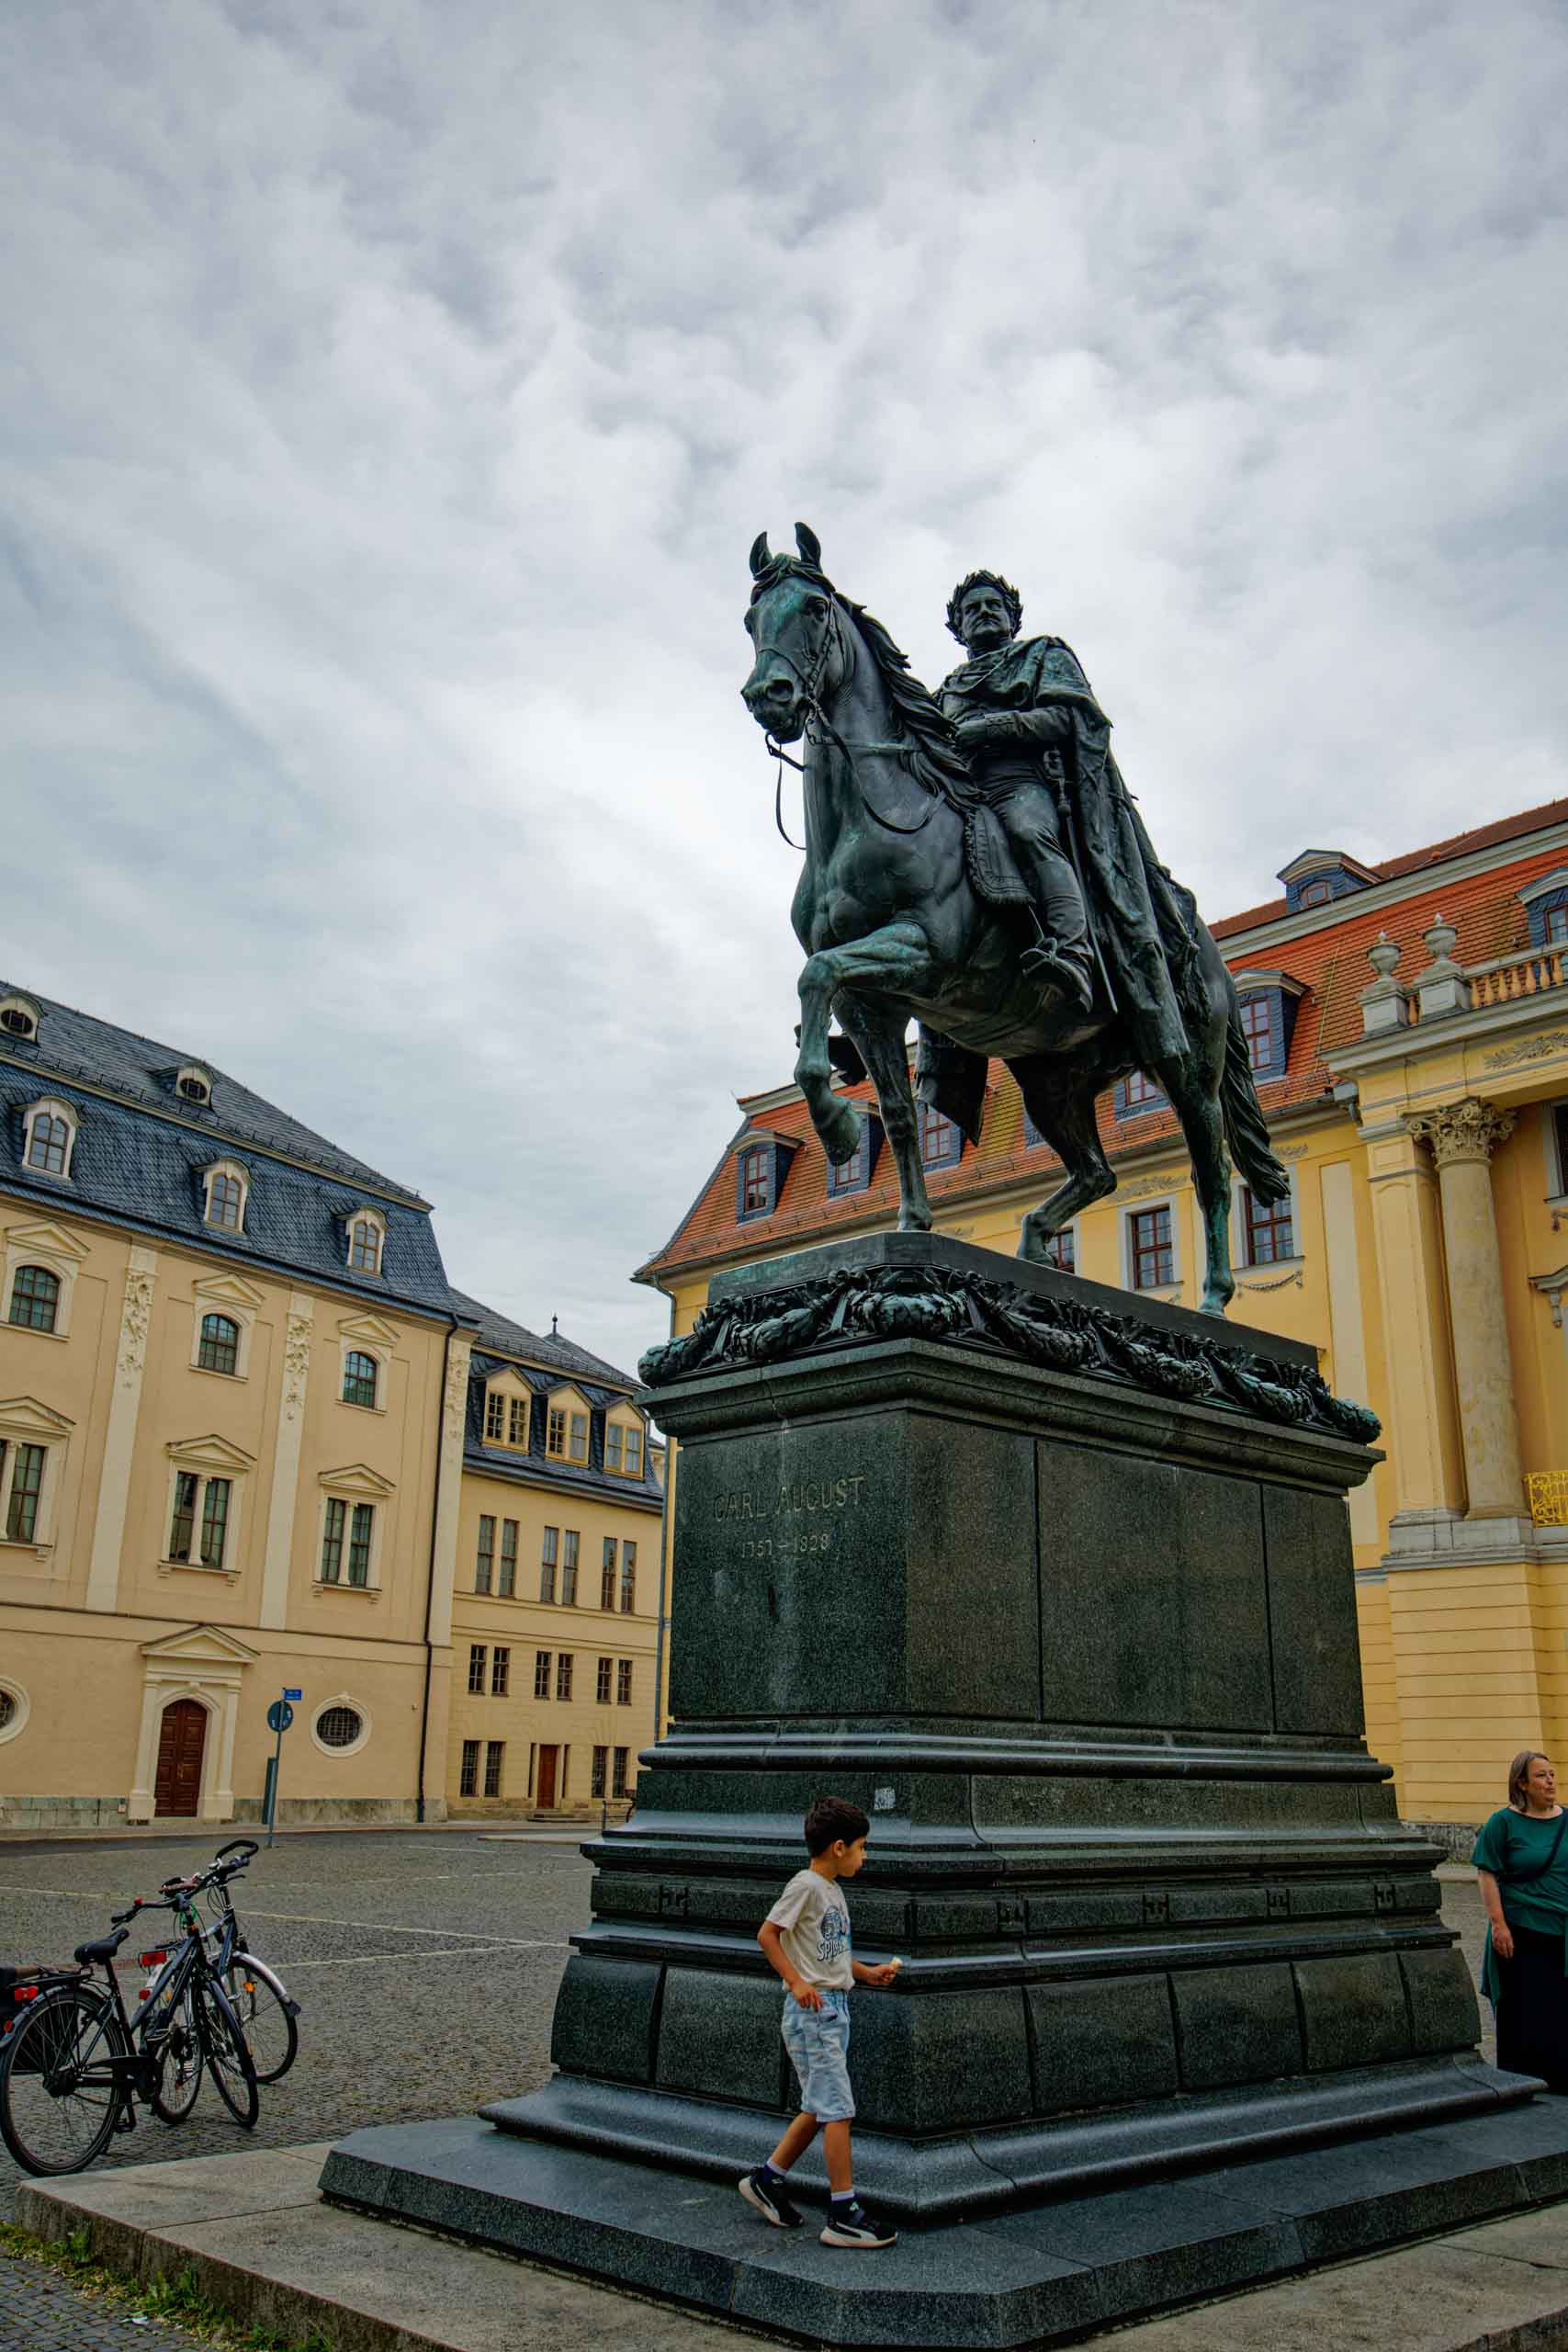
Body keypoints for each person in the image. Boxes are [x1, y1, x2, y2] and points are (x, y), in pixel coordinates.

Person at [936, 569, 1203, 1060]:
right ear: (958, 628)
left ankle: (1072, 950)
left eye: (993, 605)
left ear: (1013, 618)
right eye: (972, 610)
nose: (984, 614)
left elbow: (1068, 718)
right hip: (962, 794)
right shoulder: (947, 688)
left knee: (1029, 832)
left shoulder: (1042, 656)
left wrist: (989, 728)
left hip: (1023, 780)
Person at [737, 1794, 902, 2249]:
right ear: (838, 1847)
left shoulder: (832, 1891)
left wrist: (870, 1973)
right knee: (838, 2111)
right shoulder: (806, 1885)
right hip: (814, 2011)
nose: (865, 1856)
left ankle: (768, 2180)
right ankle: (843, 2212)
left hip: (833, 2005)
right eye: (863, 1847)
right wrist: (796, 1982)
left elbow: (832, 1957)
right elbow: (768, 1935)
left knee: (818, 2106)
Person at [1472, 1749, 1568, 2088]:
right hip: (1520, 1934)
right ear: (1522, 1783)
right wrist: (1498, 1924)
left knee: (1559, 2010)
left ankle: (1559, 2079)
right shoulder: (1504, 1823)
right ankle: (1523, 2079)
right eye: (1541, 1775)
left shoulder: (1566, 1820)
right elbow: (1486, 1873)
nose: (1550, 1780)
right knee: (1526, 2011)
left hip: (1562, 1933)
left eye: (1552, 1774)